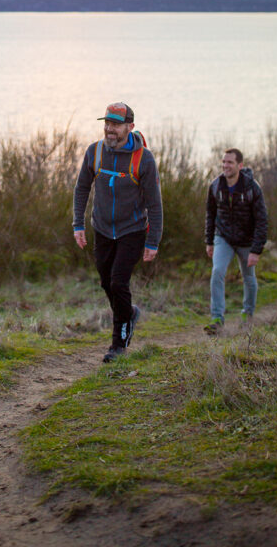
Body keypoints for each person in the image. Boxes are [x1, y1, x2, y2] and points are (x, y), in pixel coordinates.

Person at [73, 102, 163, 363]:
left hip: (131, 230)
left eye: (116, 124)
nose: (110, 129)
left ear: (130, 127)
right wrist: (78, 224)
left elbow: (155, 204)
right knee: (106, 282)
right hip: (102, 228)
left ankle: (119, 343)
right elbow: (81, 189)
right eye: (107, 123)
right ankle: (129, 313)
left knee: (118, 283)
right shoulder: (95, 152)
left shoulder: (144, 159)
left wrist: (153, 241)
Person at [204, 148, 268, 335]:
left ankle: (247, 315)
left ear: (240, 165)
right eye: (223, 162)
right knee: (217, 271)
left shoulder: (252, 188)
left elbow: (262, 220)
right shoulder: (216, 186)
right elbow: (210, 215)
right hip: (223, 238)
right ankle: (217, 319)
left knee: (249, 278)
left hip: (247, 241)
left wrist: (256, 250)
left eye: (230, 162)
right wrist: (209, 241)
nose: (225, 166)